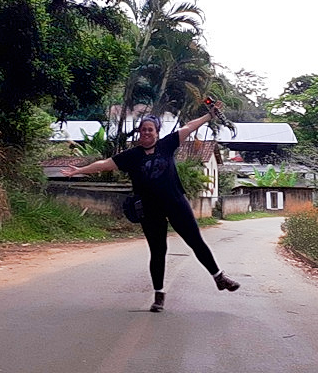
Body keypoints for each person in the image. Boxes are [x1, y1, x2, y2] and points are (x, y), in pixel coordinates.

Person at [63, 103, 240, 313]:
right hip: (149, 210)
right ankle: (159, 295)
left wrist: (208, 116)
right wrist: (79, 170)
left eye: (150, 129)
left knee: (196, 241)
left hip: (176, 203)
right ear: (139, 133)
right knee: (158, 252)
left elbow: (189, 127)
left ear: (156, 132)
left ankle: (219, 277)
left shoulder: (167, 145)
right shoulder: (131, 156)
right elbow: (104, 164)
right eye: (143, 129)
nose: (146, 132)